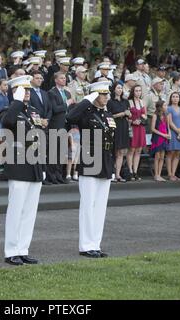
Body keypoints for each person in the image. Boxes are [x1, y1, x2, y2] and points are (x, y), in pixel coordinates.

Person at [66, 81, 115, 258]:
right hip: (89, 161)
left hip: (106, 162)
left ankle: (96, 244)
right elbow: (70, 118)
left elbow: (111, 141)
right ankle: (86, 245)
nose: (106, 97)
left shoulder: (108, 114)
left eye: (107, 94)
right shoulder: (85, 112)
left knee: (100, 206)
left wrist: (114, 165)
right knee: (88, 205)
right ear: (95, 95)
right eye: (102, 94)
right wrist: (87, 100)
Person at [0, 76, 45, 265]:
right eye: (22, 90)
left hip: (34, 164)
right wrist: (16, 101)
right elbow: (7, 122)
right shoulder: (8, 110)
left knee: (29, 211)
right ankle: (11, 251)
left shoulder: (33, 111)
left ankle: (23, 248)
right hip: (18, 164)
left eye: (27, 90)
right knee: (16, 210)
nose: (27, 93)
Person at [47, 72, 74, 184]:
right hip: (55, 125)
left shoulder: (67, 93)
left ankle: (59, 175)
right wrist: (67, 104)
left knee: (61, 152)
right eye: (61, 78)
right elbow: (55, 109)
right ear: (56, 80)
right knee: (53, 151)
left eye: (65, 78)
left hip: (65, 125)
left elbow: (70, 110)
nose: (64, 80)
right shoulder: (51, 93)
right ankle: (51, 176)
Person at [108, 82, 131, 182]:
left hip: (124, 126)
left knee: (122, 151)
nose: (120, 90)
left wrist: (128, 114)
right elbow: (108, 116)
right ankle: (111, 173)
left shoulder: (125, 102)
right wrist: (121, 114)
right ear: (114, 89)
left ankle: (118, 174)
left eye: (121, 88)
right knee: (114, 151)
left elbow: (129, 113)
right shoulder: (110, 102)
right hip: (114, 126)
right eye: (118, 88)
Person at [126, 85, 147, 181]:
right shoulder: (129, 102)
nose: (138, 92)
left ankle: (135, 171)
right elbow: (126, 116)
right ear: (133, 92)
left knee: (138, 150)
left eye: (139, 90)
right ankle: (130, 171)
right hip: (133, 128)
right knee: (132, 150)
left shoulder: (142, 102)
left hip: (141, 127)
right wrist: (132, 121)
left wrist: (142, 118)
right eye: (136, 91)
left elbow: (145, 115)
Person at [166, 92, 180, 181]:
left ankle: (174, 174)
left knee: (178, 153)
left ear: (179, 99)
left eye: (177, 97)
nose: (175, 98)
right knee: (171, 153)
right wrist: (177, 130)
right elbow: (169, 122)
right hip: (173, 132)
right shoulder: (169, 109)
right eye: (173, 97)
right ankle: (169, 174)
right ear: (171, 99)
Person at [150, 100, 170, 182]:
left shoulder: (166, 115)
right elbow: (152, 129)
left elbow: (168, 127)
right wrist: (163, 134)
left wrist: (169, 135)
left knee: (162, 157)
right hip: (157, 138)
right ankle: (156, 175)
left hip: (165, 138)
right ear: (160, 107)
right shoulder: (155, 115)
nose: (166, 107)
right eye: (165, 105)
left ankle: (159, 174)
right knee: (157, 156)